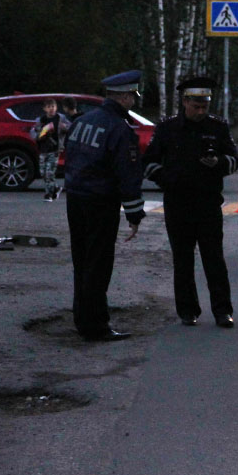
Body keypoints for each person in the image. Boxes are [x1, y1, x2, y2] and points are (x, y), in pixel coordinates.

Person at [142, 76, 238, 329]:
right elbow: (149, 163)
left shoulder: (218, 127)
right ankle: (187, 311)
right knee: (182, 260)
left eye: (204, 106)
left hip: (208, 203)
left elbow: (234, 159)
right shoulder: (167, 128)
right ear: (185, 102)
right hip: (177, 204)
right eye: (196, 106)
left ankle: (222, 311)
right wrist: (168, 179)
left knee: (214, 259)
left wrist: (218, 163)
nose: (200, 111)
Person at [63, 71, 146, 342]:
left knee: (82, 260)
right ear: (123, 97)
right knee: (98, 264)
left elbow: (70, 157)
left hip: (76, 199)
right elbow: (127, 175)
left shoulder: (83, 121)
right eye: (133, 95)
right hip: (100, 203)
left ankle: (82, 318)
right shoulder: (119, 129)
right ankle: (96, 325)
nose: (134, 100)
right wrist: (134, 214)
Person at [31, 98, 67, 201]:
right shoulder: (41, 120)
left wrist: (65, 128)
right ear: (44, 109)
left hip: (54, 149)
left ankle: (49, 194)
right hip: (43, 149)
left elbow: (69, 127)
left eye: (53, 107)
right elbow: (34, 131)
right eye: (49, 107)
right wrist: (39, 135)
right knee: (43, 172)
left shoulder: (60, 118)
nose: (51, 109)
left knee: (49, 172)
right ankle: (55, 188)